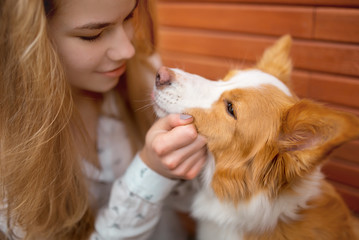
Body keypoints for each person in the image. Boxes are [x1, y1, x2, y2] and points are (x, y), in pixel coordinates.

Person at [0, 0, 207, 239]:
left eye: (129, 17)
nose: (127, 50)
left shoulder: (145, 73)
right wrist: (150, 176)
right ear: (23, 39)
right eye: (93, 35)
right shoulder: (9, 155)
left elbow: (195, 202)